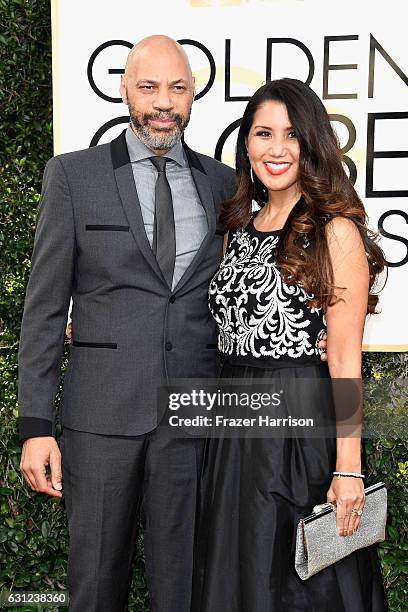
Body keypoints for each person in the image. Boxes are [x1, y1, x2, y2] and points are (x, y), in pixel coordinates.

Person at [17, 35, 238, 612]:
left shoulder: (224, 186)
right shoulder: (73, 176)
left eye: (178, 88)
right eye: (149, 87)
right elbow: (43, 308)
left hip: (194, 424)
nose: (164, 102)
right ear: (123, 90)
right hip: (100, 420)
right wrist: (36, 425)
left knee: (185, 589)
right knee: (93, 586)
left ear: (194, 94)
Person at [192, 78, 388, 611]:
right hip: (233, 427)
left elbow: (346, 359)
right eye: (263, 134)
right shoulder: (238, 226)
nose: (276, 149)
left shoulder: (335, 232)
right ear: (246, 144)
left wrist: (348, 468)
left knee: (300, 583)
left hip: (298, 432)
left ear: (312, 143)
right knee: (236, 575)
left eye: (291, 135)